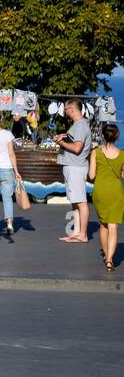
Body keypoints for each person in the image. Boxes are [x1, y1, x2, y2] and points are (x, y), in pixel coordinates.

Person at [53, 98, 92, 244]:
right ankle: (77, 233)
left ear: (72, 109)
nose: (65, 111)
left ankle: (83, 234)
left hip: (76, 167)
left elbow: (77, 148)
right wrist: (63, 139)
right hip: (72, 166)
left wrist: (61, 142)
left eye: (66, 109)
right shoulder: (77, 126)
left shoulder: (80, 126)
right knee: (75, 201)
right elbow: (74, 143)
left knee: (81, 201)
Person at [88, 123, 123, 271]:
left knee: (104, 225)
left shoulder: (96, 152)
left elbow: (91, 175)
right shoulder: (122, 154)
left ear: (103, 136)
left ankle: (106, 255)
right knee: (113, 226)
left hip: (100, 191)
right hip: (116, 191)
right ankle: (110, 260)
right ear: (117, 137)